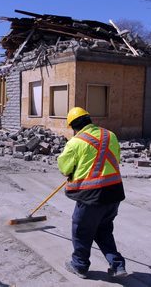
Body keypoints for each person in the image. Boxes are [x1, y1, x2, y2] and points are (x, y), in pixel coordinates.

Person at [57, 107, 127, 279]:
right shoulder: (110, 135)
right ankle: (117, 265)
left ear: (73, 126)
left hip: (91, 196)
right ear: (89, 120)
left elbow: (64, 168)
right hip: (114, 193)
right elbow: (115, 158)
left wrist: (75, 170)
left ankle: (79, 265)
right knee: (103, 230)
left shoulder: (75, 142)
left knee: (81, 230)